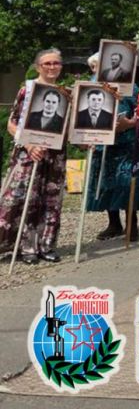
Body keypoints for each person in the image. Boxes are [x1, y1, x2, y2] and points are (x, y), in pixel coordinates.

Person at [1, 49, 68, 264]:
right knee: (23, 199)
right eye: (47, 63)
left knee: (51, 201)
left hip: (55, 155)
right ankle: (25, 247)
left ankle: (46, 245)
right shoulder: (27, 90)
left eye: (56, 63)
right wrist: (29, 145)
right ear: (39, 66)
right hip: (28, 154)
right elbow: (11, 123)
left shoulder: (66, 93)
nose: (52, 67)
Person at [86, 81, 139, 242]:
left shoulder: (131, 87)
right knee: (107, 183)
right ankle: (114, 224)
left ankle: (131, 224)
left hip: (127, 144)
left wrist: (129, 123)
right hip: (103, 144)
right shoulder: (93, 84)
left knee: (128, 183)